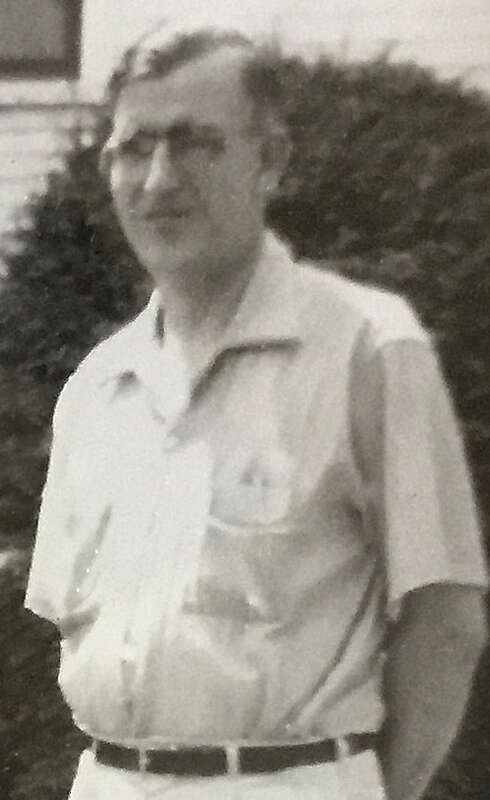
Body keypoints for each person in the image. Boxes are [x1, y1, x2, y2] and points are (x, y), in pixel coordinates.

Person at [24, 25, 487, 800]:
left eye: (196, 143)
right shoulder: (97, 390)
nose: (160, 178)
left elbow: (446, 622)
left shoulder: (367, 350)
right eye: (135, 147)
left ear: (269, 159)